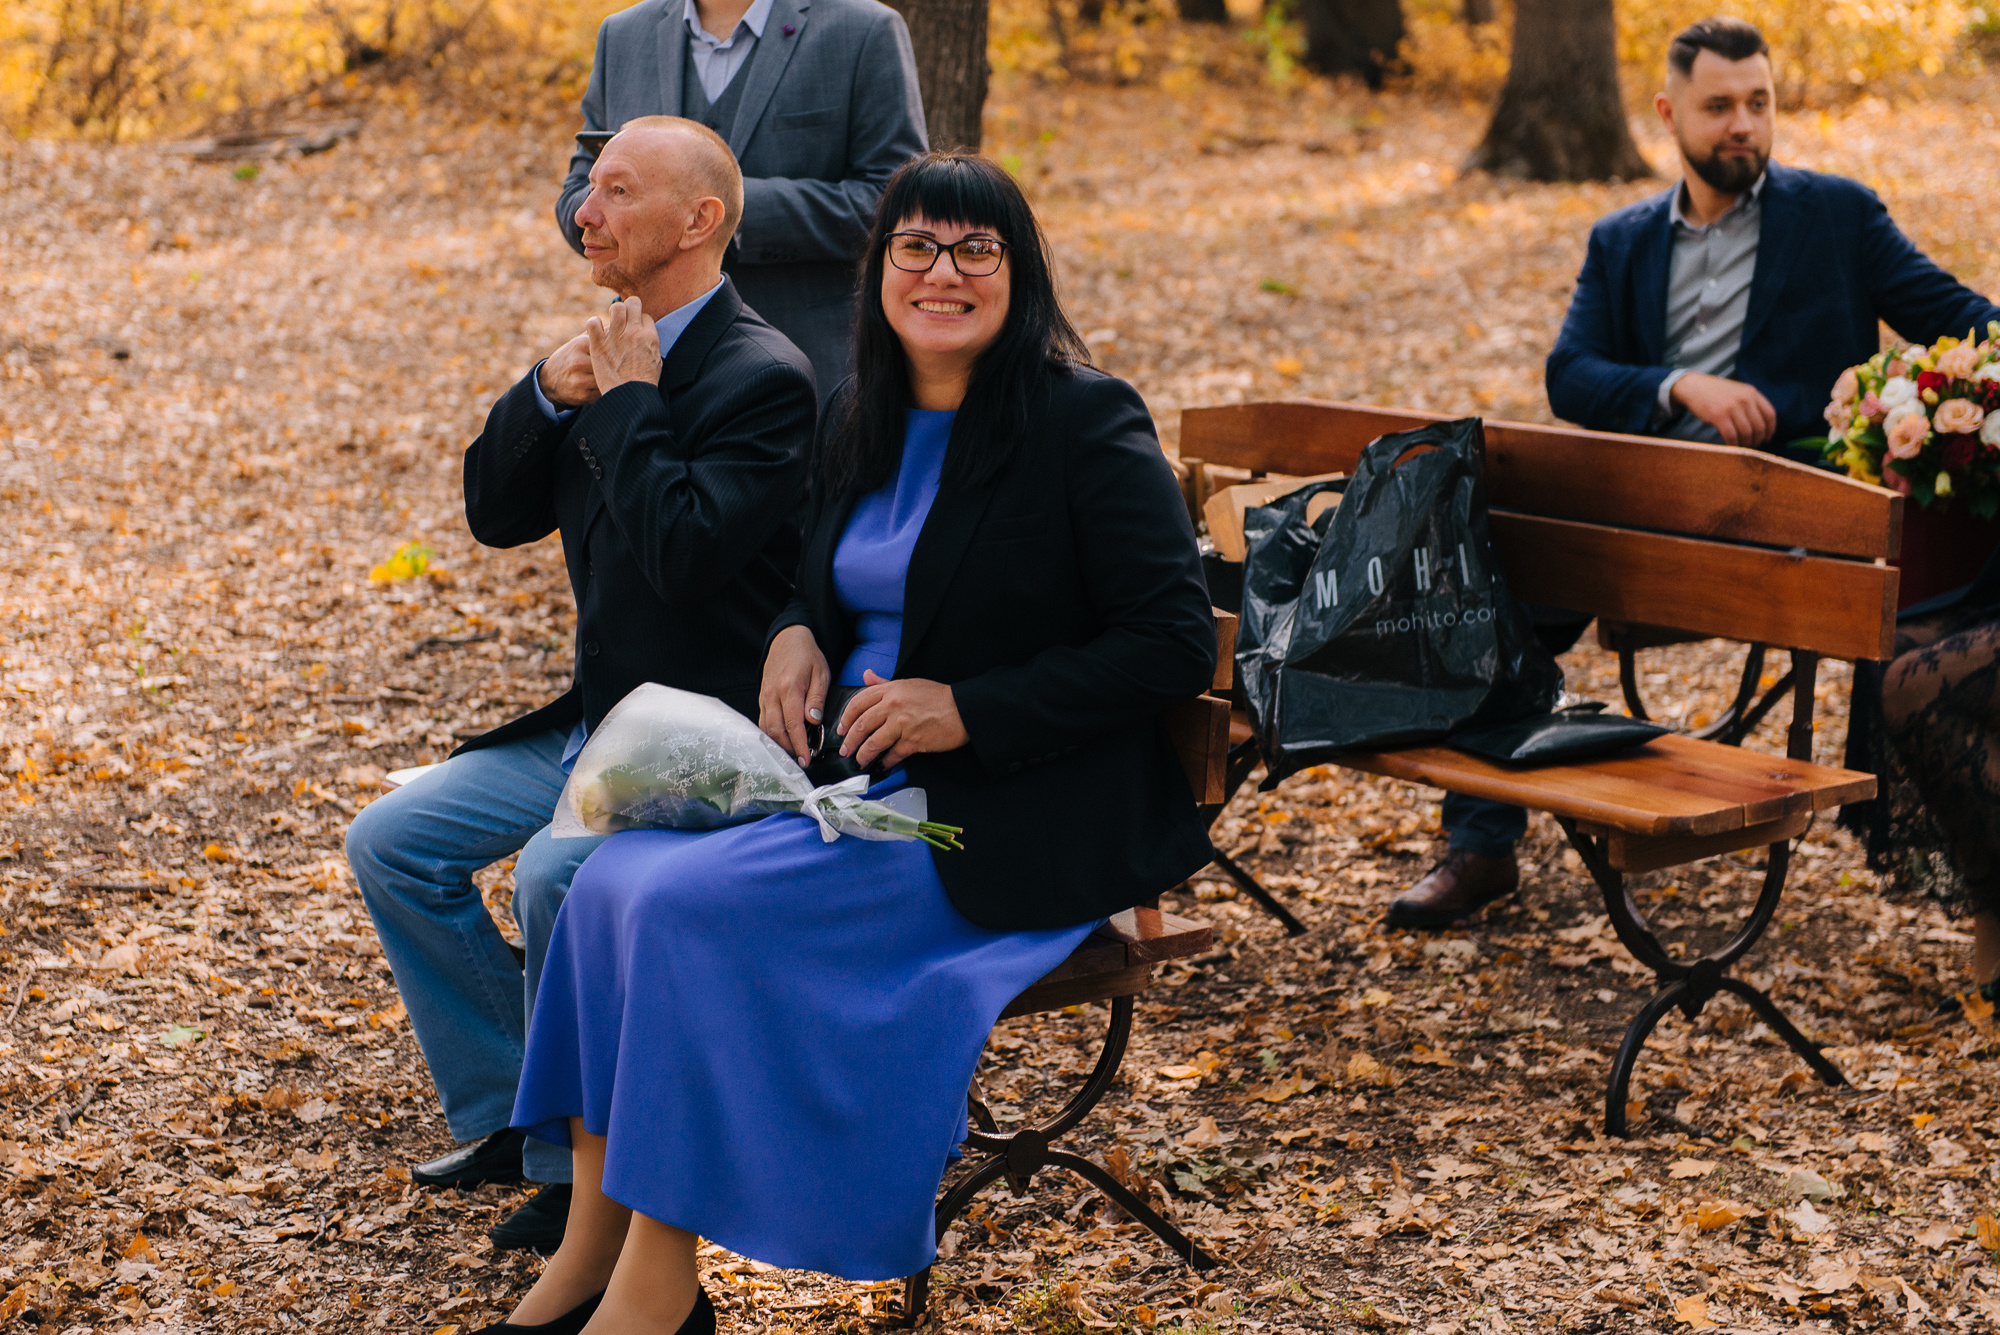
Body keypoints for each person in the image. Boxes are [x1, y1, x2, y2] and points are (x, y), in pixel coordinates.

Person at [491, 153, 1216, 1335]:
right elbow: (826, 589)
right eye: (913, 248)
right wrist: (792, 634)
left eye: (973, 248)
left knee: (677, 908)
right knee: (610, 879)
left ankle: (655, 1294)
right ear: (877, 271)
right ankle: (583, 1253)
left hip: (1005, 809)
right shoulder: (859, 410)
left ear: (1017, 271)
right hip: (854, 788)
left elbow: (1171, 642)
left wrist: (966, 707)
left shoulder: (1080, 419)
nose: (941, 272)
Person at [1392, 14, 2000, 930]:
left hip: (1785, 519)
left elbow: (1962, 321)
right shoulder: (1624, 239)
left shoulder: (1838, 215)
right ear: (1671, 113)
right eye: (1720, 107)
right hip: (1643, 513)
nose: (1743, 124)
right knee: (1499, 569)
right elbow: (1573, 373)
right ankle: (1481, 849)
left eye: (1759, 103)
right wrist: (1684, 384)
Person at [346, 117, 816, 1255]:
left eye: (612, 191)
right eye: (586, 191)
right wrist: (549, 394)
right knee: (391, 843)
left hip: (696, 737)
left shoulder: (765, 378)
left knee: (557, 877)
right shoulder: (611, 352)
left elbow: (686, 555)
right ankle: (517, 1107)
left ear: (697, 221)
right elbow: (493, 513)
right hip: (591, 719)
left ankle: (578, 1171)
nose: (582, 213)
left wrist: (621, 403)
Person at [556, 0, 929, 399]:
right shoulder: (624, 34)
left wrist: (723, 207)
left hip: (813, 375)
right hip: (639, 367)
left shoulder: (863, 30)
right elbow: (576, 199)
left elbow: (898, 207)